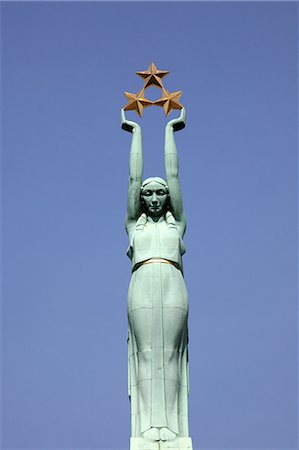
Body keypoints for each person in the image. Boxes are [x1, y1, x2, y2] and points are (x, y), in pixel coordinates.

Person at [121, 107, 190, 443]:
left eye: (159, 193)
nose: (153, 198)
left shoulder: (178, 225)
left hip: (173, 282)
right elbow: (134, 179)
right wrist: (135, 131)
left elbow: (174, 176)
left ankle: (172, 427)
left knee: (171, 356)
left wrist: (169, 131)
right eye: (147, 194)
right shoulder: (134, 226)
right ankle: (150, 425)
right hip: (142, 283)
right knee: (147, 353)